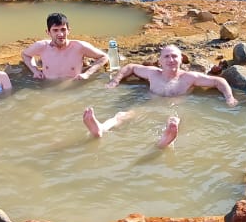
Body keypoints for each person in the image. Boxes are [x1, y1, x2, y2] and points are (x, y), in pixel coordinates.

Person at [86, 44, 237, 148]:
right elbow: (130, 67)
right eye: (166, 57)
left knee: (173, 122)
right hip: (150, 107)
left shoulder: (189, 77)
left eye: (174, 56)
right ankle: (101, 128)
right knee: (122, 115)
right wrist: (115, 81)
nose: (171, 60)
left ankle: (166, 142)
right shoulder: (153, 73)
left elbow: (218, 81)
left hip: (175, 109)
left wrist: (229, 97)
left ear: (181, 59)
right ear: (160, 61)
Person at [22, 13, 108, 80]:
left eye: (63, 29)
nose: (60, 34)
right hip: (47, 89)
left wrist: (87, 74)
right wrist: (35, 71)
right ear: (48, 32)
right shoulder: (42, 46)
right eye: (55, 30)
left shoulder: (79, 47)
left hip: (73, 89)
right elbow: (25, 55)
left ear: (69, 31)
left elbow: (104, 57)